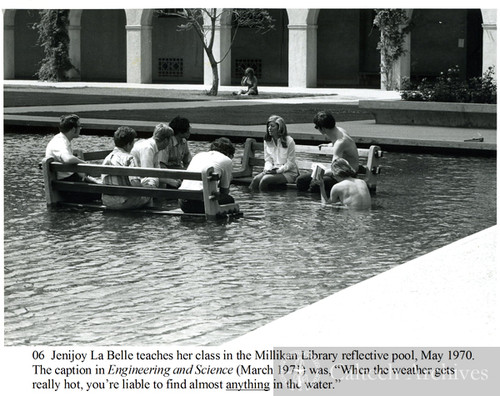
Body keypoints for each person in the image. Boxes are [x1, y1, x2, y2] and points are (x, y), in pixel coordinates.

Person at [296, 110, 359, 195]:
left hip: (346, 175)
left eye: (316, 127)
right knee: (301, 180)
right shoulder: (339, 131)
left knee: (315, 185)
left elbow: (335, 170)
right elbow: (340, 146)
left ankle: (317, 205)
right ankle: (305, 203)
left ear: (323, 128)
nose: (317, 129)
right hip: (341, 171)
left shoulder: (340, 142)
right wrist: (329, 145)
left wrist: (318, 174)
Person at [45, 114, 100, 203]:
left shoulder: (62, 140)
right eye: (79, 126)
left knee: (100, 187)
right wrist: (83, 163)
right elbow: (67, 159)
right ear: (74, 129)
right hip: (68, 187)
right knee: (104, 192)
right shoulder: (60, 142)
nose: (80, 129)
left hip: (67, 184)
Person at [178, 137, 236, 214]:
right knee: (230, 200)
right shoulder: (227, 160)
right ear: (229, 154)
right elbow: (224, 191)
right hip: (203, 204)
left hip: (183, 203)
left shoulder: (198, 155)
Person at [101, 126, 152, 210]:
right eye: (133, 143)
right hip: (124, 202)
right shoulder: (129, 158)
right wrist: (146, 187)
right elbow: (135, 184)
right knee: (150, 190)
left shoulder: (107, 158)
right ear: (128, 144)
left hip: (107, 201)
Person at [249, 115, 299, 191]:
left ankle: (266, 201)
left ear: (279, 127)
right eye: (268, 126)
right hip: (273, 171)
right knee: (256, 179)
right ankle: (254, 201)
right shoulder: (267, 140)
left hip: (288, 173)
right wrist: (268, 169)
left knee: (265, 180)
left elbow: (290, 163)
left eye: (272, 126)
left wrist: (277, 171)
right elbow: (268, 160)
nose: (269, 128)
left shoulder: (289, 141)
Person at [130, 123, 173, 188]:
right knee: (153, 182)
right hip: (136, 181)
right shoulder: (148, 148)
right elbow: (147, 173)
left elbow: (157, 170)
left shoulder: (155, 147)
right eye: (170, 140)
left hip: (139, 178)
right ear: (166, 140)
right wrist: (169, 181)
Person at [158, 116, 193, 189]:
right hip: (167, 176)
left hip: (179, 173)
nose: (190, 131)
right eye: (188, 129)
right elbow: (162, 166)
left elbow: (188, 161)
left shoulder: (184, 142)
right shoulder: (167, 143)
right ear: (180, 131)